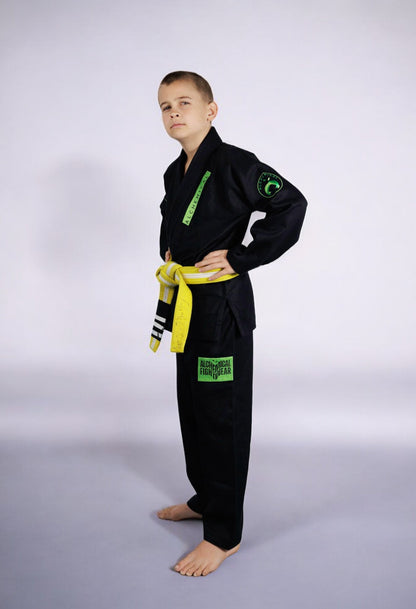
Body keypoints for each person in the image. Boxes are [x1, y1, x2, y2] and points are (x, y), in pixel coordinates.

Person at [152, 71, 307, 577]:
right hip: (187, 306)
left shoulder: (237, 163)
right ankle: (206, 499)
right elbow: (175, 224)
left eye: (184, 102)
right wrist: (170, 253)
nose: (174, 113)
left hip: (222, 312)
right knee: (194, 409)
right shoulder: (175, 172)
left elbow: (291, 204)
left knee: (221, 415)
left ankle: (224, 534)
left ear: (210, 110)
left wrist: (242, 257)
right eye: (165, 106)